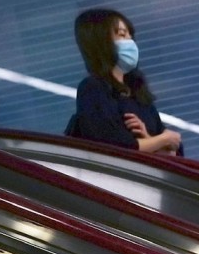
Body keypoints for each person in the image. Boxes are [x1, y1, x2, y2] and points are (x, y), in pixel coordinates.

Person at [68, 8, 181, 154]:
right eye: (122, 35)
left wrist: (150, 139)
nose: (130, 42)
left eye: (130, 35)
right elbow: (113, 147)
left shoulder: (137, 92)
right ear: (101, 41)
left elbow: (175, 149)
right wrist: (161, 140)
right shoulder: (93, 89)